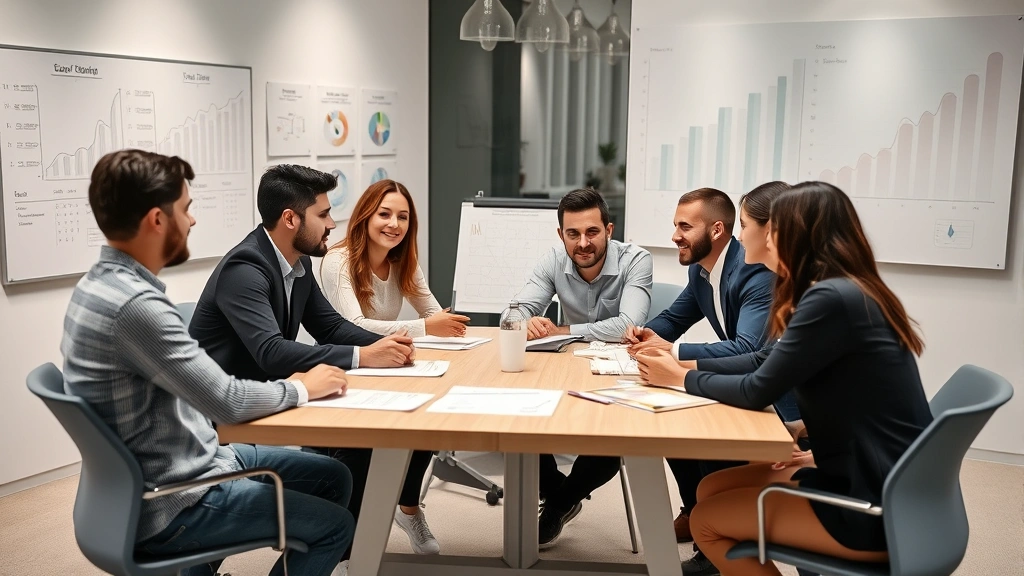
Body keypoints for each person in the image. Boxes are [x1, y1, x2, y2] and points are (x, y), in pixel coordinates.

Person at [62, 149, 354, 576]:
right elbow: (228, 403)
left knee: (334, 477)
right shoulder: (136, 306)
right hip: (177, 496)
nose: (193, 220)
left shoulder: (97, 286)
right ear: (157, 221)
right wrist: (306, 387)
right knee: (334, 526)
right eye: (186, 208)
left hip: (181, 463)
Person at [637, 182, 932, 576]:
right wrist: (802, 428)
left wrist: (678, 378)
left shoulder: (827, 301)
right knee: (709, 490)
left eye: (768, 228)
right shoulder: (845, 291)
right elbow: (855, 392)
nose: (754, 237)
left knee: (706, 521)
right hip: (872, 473)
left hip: (871, 504)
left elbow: (759, 385)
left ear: (797, 235)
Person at [189, 165, 439, 558]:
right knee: (348, 460)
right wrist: (363, 355)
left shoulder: (297, 262)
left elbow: (331, 326)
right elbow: (270, 352)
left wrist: (390, 347)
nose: (331, 223)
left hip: (261, 401)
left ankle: (343, 554)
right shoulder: (246, 268)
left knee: (345, 467)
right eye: (322, 214)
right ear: (291, 218)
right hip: (216, 416)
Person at [621, 187, 775, 560]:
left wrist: (671, 352)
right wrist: (644, 334)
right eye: (675, 225)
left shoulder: (755, 273)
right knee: (672, 423)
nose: (675, 235)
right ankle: (696, 512)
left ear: (717, 230)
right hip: (740, 377)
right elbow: (674, 319)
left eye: (684, 226)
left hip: (773, 396)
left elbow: (748, 348)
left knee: (701, 429)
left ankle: (715, 539)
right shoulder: (701, 271)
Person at [512, 187, 653, 548]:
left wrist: (562, 330)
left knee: (607, 445)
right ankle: (562, 495)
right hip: (568, 369)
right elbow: (513, 313)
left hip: (620, 373)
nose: (583, 243)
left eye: (592, 232)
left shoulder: (636, 259)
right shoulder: (552, 261)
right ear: (561, 235)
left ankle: (557, 504)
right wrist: (525, 321)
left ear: (609, 229)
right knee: (520, 420)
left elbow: (628, 327)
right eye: (573, 234)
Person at [320, 179, 470, 337]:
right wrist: (425, 327)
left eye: (402, 217)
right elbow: (353, 326)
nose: (394, 224)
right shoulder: (337, 261)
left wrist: (447, 324)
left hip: (385, 356)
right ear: (365, 216)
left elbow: (432, 314)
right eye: (384, 214)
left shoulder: (403, 262)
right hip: (340, 359)